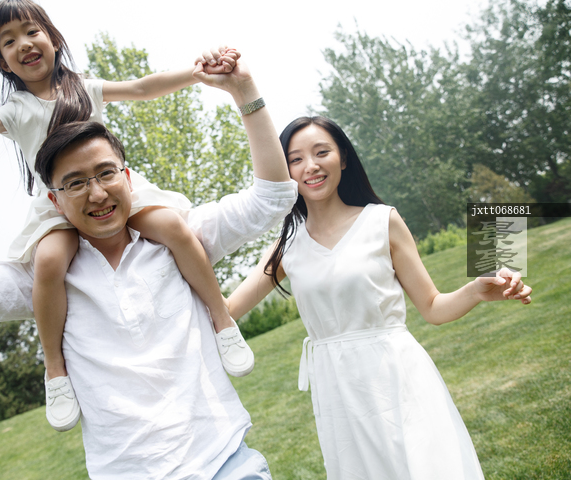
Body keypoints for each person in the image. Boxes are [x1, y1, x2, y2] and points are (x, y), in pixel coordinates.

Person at [0, 59, 296, 479]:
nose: (97, 194)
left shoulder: (177, 239)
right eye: (76, 183)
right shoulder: (47, 280)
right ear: (54, 201)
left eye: (105, 174)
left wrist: (244, 91)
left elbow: (272, 199)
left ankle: (223, 323)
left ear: (127, 177)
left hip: (227, 462)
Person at [227, 116, 533, 479]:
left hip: (398, 376)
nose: (310, 166)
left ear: (343, 158)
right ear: (286, 171)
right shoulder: (287, 245)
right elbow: (227, 309)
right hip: (337, 391)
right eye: (296, 159)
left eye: (321, 152)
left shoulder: (382, 221)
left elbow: (432, 308)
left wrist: (476, 290)